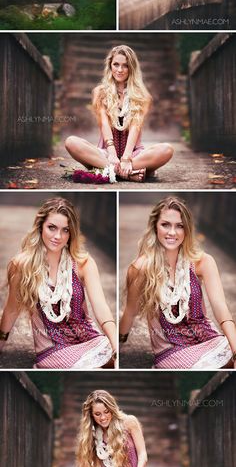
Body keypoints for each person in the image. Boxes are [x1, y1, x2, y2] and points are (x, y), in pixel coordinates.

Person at [119, 197, 236, 369]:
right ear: (155, 227)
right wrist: (116, 349)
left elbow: (221, 310)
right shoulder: (140, 268)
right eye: (165, 224)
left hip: (208, 339)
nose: (172, 232)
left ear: (186, 230)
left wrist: (234, 349)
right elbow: (130, 312)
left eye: (179, 226)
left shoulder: (203, 262)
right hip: (171, 349)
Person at [0, 198, 116, 369]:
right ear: (40, 226)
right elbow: (11, 311)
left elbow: (101, 308)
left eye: (65, 230)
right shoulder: (22, 266)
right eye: (52, 228)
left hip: (90, 340)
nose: (57, 236)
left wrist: (115, 347)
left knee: (110, 359)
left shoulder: (84, 263)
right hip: (53, 349)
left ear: (71, 234)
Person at [46, 389, 185, 467]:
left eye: (106, 412)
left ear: (112, 409)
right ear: (91, 415)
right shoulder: (92, 436)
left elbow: (142, 453)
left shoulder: (130, 422)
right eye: (97, 414)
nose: (103, 417)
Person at [65, 44, 173, 182]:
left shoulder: (142, 96)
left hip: (134, 155)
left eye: (125, 65)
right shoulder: (100, 92)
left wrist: (127, 158)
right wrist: (111, 154)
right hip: (105, 154)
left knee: (167, 150)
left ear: (131, 68)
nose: (120, 70)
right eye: (116, 64)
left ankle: (110, 170)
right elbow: (104, 123)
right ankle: (127, 174)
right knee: (71, 142)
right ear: (110, 66)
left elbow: (135, 126)